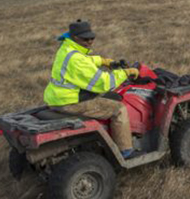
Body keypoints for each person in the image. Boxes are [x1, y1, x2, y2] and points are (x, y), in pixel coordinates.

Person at [43, 19, 140, 159]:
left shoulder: (67, 48)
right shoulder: (77, 60)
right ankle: (126, 151)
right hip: (70, 103)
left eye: (92, 38)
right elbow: (104, 83)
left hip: (57, 99)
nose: (90, 41)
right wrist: (126, 73)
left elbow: (84, 59)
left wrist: (103, 61)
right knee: (119, 109)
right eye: (86, 39)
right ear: (75, 37)